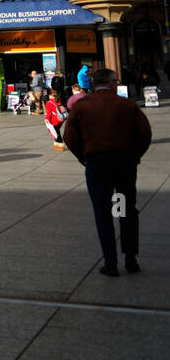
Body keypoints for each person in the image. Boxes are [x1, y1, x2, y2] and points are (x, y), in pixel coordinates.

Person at [64, 68, 151, 276]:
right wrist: (134, 155)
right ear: (112, 83)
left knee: (103, 212)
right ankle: (130, 259)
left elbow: (69, 135)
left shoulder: (82, 106)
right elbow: (144, 133)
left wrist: (83, 156)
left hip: (97, 165)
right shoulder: (126, 104)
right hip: (123, 165)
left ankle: (110, 262)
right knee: (124, 209)